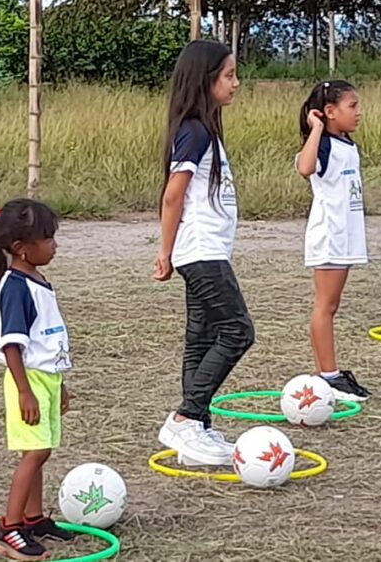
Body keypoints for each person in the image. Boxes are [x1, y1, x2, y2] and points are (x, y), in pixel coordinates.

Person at [153, 40, 253, 467]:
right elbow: (173, 196)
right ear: (205, 79)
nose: (236, 83)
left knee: (200, 338)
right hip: (202, 251)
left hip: (207, 250)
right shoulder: (194, 130)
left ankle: (198, 427)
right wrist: (165, 252)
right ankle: (185, 416)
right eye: (228, 75)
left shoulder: (203, 129)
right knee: (237, 331)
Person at [0, 198, 73, 562]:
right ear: (22, 249)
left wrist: (60, 382)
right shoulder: (15, 286)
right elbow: (12, 345)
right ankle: (9, 528)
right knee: (33, 453)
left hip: (45, 379)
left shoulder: (37, 279)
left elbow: (47, 338)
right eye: (48, 239)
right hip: (29, 381)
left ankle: (33, 519)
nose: (55, 245)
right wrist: (24, 391)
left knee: (42, 449)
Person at [294, 80, 370, 401]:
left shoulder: (347, 144)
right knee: (325, 306)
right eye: (351, 106)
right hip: (329, 235)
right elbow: (305, 167)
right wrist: (315, 129)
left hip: (347, 235)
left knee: (332, 305)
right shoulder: (323, 144)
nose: (358, 112)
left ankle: (331, 373)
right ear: (329, 111)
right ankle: (328, 375)